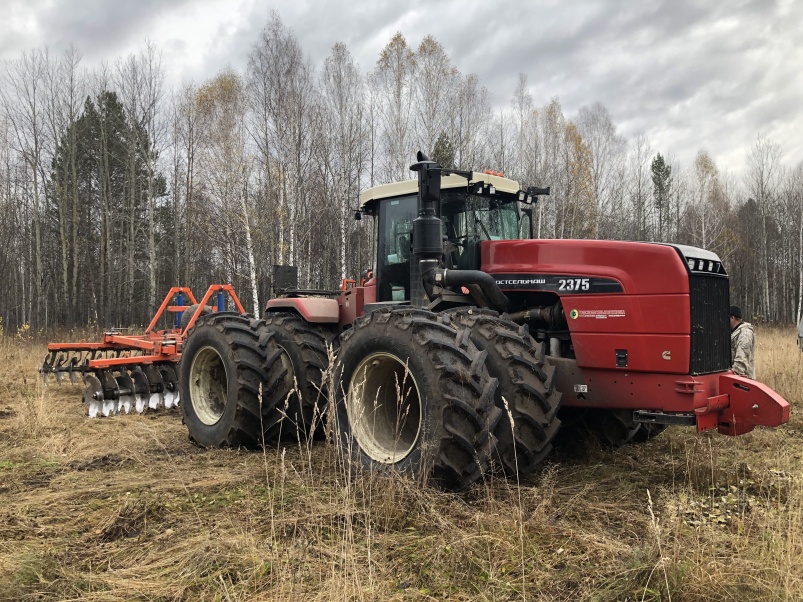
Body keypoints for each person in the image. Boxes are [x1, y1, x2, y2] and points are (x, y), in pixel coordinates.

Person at [729, 305, 755, 379]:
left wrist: (734, 376)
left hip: (743, 381)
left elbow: (741, 359)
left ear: (732, 318)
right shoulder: (734, 333)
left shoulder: (745, 333)